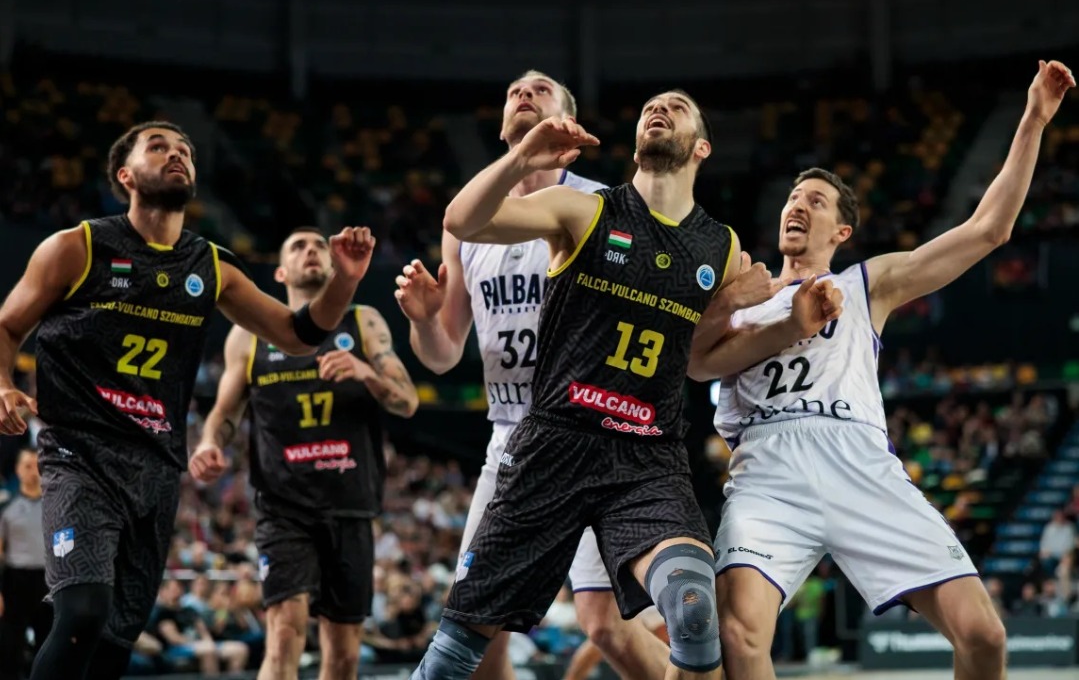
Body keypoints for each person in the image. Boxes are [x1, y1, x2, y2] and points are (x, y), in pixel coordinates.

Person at [406, 90, 841, 680]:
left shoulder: (723, 247)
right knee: (454, 655)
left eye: (678, 106)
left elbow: (701, 362)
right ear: (636, 144)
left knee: (693, 611)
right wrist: (522, 158)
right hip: (553, 446)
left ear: (702, 147)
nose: (659, 109)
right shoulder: (583, 211)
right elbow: (462, 221)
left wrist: (784, 324)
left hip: (645, 459)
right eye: (649, 108)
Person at [694, 59, 1076, 680]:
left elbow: (989, 229)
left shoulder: (866, 283)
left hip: (858, 458)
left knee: (984, 636)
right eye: (792, 197)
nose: (797, 205)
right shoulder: (745, 293)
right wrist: (732, 305)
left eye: (815, 200)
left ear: (841, 229)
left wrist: (1032, 119)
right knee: (737, 633)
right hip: (768, 468)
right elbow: (692, 363)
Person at [0, 121, 375, 680]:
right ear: (125, 175)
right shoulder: (76, 247)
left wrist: (344, 281)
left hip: (155, 467)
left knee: (114, 641)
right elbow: (7, 326)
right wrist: (3, 384)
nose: (176, 154)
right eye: (158, 147)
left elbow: (296, 336)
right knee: (83, 611)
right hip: (81, 453)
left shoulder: (211, 265)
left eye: (185, 150)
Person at [396, 70, 670, 680]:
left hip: (590, 433)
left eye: (541, 90)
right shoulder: (468, 222)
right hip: (511, 436)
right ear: (502, 126)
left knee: (605, 626)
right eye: (514, 92)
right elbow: (442, 355)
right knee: (477, 619)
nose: (524, 93)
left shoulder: (603, 204)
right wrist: (423, 319)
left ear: (569, 127)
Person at [190, 226, 419, 680]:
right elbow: (224, 412)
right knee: (284, 632)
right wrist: (210, 442)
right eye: (298, 246)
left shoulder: (363, 321)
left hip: (350, 503)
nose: (311, 251)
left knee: (344, 655)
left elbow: (407, 401)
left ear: (333, 266)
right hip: (283, 505)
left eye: (318, 245)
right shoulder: (248, 336)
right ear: (280, 272)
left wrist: (365, 373)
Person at [0, 448, 50, 680]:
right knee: (11, 645)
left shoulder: (55, 506)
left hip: (48, 581)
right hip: (16, 581)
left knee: (48, 643)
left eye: (37, 466)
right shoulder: (7, 507)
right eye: (27, 466)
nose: (33, 472)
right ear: (18, 470)